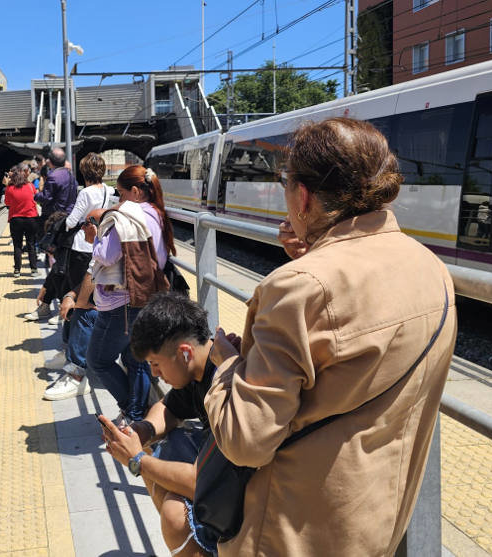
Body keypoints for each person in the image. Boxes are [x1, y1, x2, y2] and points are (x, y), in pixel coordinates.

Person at [207, 117, 457, 556]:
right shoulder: (431, 268)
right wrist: (316, 253)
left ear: (303, 196)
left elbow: (246, 441)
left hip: (289, 533)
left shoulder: (298, 287)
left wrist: (226, 364)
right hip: (376, 523)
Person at [102, 292, 221, 556]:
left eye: (156, 364)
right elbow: (169, 406)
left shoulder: (225, 386)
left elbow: (202, 483)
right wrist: (140, 431)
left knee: (173, 512)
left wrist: (135, 460)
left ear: (185, 353)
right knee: (154, 448)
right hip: (220, 478)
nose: (155, 373)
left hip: (253, 502)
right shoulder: (199, 367)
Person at [83, 165, 176, 425]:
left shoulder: (128, 216)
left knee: (98, 360)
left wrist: (94, 239)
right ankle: (135, 415)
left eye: (121, 194)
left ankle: (130, 409)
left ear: (135, 192)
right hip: (150, 294)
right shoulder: (158, 213)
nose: (119, 200)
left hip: (121, 301)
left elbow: (107, 255)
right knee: (136, 360)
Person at [44, 153, 117, 400]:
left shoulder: (85, 193)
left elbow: (72, 221)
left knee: (75, 298)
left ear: (83, 172)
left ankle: (70, 355)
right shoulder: (108, 190)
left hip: (81, 249)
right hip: (99, 249)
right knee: (91, 300)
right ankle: (76, 352)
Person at [1, 163, 39, 278]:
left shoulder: (9, 188)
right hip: (31, 218)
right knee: (31, 244)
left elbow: (7, 203)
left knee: (17, 245)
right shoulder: (30, 186)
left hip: (16, 219)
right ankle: (34, 270)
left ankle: (17, 270)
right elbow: (36, 197)